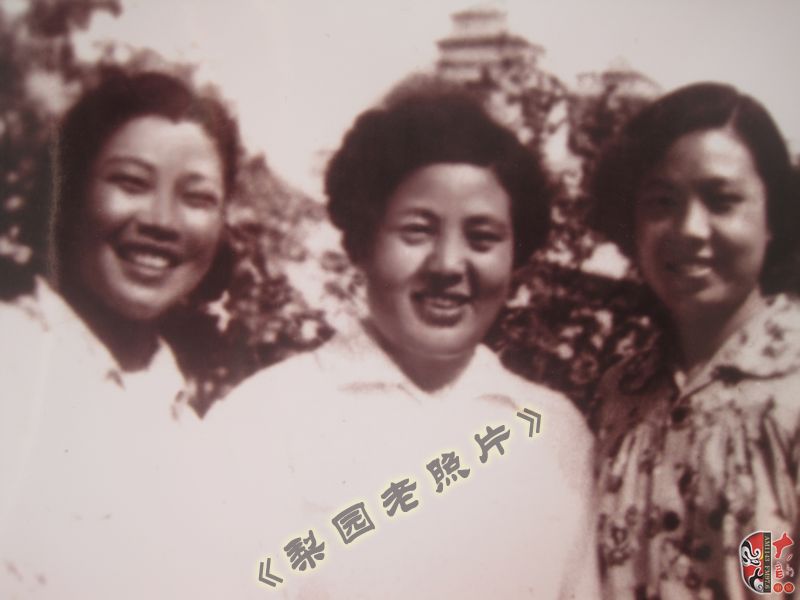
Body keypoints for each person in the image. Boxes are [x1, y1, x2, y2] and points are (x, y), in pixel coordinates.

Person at [198, 87, 600, 598]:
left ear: (516, 257)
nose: (448, 264)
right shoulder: (266, 417)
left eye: (482, 238)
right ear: (362, 243)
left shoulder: (552, 430)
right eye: (417, 231)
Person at [0, 70, 239, 598]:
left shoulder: (181, 413)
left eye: (197, 198)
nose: (162, 221)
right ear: (68, 191)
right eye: (131, 183)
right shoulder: (11, 361)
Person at [591, 82, 800, 599]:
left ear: (773, 217)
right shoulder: (619, 395)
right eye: (662, 203)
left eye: (721, 201)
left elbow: (775, 580)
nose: (689, 229)